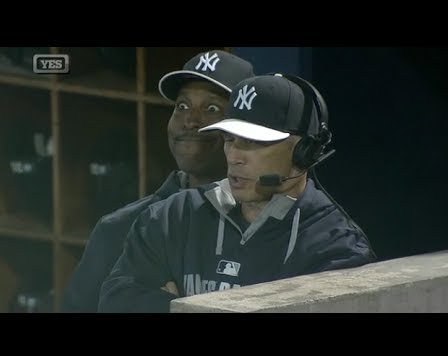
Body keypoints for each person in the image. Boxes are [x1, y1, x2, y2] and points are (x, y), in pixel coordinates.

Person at [98, 73, 377, 313]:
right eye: (230, 140)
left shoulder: (336, 250)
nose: (234, 156)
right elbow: (117, 300)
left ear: (303, 152)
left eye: (253, 143)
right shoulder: (172, 216)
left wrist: (178, 303)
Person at [61, 50, 255, 312]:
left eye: (211, 108)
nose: (190, 120)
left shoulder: (272, 229)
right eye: (182, 106)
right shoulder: (120, 229)